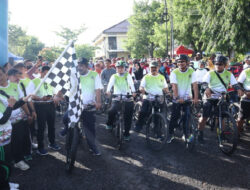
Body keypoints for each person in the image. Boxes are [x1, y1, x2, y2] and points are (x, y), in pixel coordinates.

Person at [198, 55, 241, 143]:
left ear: (225, 65)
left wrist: (239, 89)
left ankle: (221, 134)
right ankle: (200, 133)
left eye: (220, 64)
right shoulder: (210, 73)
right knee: (204, 117)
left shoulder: (229, 74)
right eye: (216, 63)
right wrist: (207, 88)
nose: (217, 65)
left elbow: (235, 84)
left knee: (222, 117)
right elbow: (204, 83)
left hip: (221, 97)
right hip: (210, 97)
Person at [30, 66, 62, 156]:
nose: (47, 75)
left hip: (51, 105)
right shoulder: (34, 81)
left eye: (49, 73)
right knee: (41, 127)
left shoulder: (52, 81)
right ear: (41, 72)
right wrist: (40, 98)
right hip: (40, 106)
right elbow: (31, 95)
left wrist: (56, 96)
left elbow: (57, 92)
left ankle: (52, 143)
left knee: (52, 126)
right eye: (46, 73)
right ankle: (40, 148)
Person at [168, 54, 199, 143]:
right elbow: (174, 86)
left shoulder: (191, 71)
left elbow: (195, 85)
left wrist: (196, 98)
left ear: (187, 62)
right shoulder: (174, 72)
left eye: (182, 61)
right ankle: (170, 134)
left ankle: (186, 135)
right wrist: (177, 97)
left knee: (187, 116)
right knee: (174, 116)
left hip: (187, 97)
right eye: (179, 61)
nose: (180, 63)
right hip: (177, 97)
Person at [77, 57, 103, 155]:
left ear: (87, 66)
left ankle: (92, 147)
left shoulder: (94, 74)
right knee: (66, 119)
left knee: (90, 128)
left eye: (82, 66)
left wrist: (98, 102)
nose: (79, 68)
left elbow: (97, 89)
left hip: (89, 105)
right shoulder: (75, 75)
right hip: (76, 104)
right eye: (78, 66)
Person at [134, 61, 169, 132]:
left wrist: (168, 92)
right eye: (152, 67)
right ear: (149, 68)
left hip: (159, 98)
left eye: (155, 67)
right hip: (148, 97)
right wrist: (143, 91)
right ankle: (139, 126)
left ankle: (158, 131)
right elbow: (141, 87)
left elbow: (166, 88)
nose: (153, 69)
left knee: (160, 115)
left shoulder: (162, 77)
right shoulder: (146, 77)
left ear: (158, 68)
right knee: (143, 111)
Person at [106, 61, 136, 141]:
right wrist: (108, 91)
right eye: (118, 68)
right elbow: (110, 84)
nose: (120, 69)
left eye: (122, 67)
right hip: (117, 96)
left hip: (127, 97)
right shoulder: (114, 76)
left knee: (128, 117)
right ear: (116, 68)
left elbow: (131, 84)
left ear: (124, 68)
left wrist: (133, 92)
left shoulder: (128, 75)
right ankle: (109, 124)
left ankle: (126, 134)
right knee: (111, 110)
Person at [14, 63, 38, 150]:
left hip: (27, 106)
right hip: (17, 109)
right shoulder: (14, 82)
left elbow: (29, 98)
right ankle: (24, 149)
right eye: (17, 69)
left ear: (25, 69)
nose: (19, 71)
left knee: (29, 128)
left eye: (21, 69)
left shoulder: (28, 81)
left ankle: (30, 144)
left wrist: (32, 111)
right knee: (21, 131)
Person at [237, 67, 250, 134]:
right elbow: (239, 83)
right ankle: (237, 133)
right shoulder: (246, 71)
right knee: (241, 118)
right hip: (247, 96)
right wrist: (245, 92)